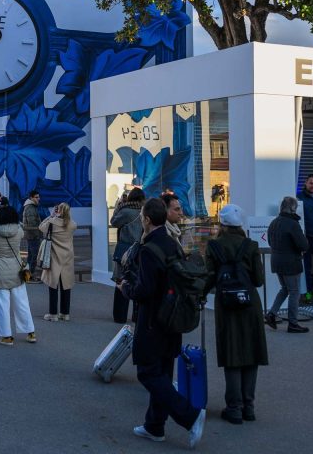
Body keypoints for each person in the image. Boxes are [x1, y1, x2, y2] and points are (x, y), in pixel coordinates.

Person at [119, 197, 206, 448]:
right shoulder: (172, 243)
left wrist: (126, 288)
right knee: (163, 372)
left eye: (141, 218)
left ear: (147, 219)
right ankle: (154, 426)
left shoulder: (148, 249)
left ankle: (190, 415)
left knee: (147, 372)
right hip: (172, 317)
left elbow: (145, 290)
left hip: (153, 320)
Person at [204, 204, 267, 424]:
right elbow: (258, 280)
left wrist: (199, 296)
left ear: (222, 224)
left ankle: (234, 408)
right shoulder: (251, 246)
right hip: (250, 304)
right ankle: (249, 406)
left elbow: (209, 277)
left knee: (232, 353)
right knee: (251, 352)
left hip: (226, 305)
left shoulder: (214, 246)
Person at [0, 205, 36, 345]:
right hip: (16, 271)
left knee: (3, 305)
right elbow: (20, 225)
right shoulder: (19, 231)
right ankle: (30, 332)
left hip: (0, 271)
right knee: (22, 303)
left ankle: (6, 336)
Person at [267, 196, 310, 333]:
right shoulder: (293, 224)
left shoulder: (274, 222)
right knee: (294, 292)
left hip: (276, 261)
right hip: (291, 262)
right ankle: (293, 323)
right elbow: (303, 245)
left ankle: (271, 313)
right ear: (293, 208)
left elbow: (269, 242)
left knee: (285, 289)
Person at [111, 187, 146, 323]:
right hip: (139, 250)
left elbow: (114, 222)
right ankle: (137, 316)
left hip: (125, 251)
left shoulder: (125, 211)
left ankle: (120, 316)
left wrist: (118, 206)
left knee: (121, 281)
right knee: (137, 282)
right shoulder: (144, 212)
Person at [40, 202, 78, 321]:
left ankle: (53, 314)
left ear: (58, 210)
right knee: (66, 285)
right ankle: (65, 314)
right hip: (67, 257)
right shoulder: (72, 225)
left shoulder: (52, 222)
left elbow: (41, 227)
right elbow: (69, 222)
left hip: (54, 256)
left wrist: (51, 216)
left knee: (53, 285)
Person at [22, 189, 43, 276]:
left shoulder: (31, 206)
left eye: (39, 197)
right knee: (34, 256)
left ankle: (27, 276)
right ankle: (30, 275)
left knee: (31, 256)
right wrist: (37, 234)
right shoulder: (30, 208)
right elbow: (32, 224)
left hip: (31, 235)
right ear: (31, 198)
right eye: (36, 197)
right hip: (33, 235)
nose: (38, 199)